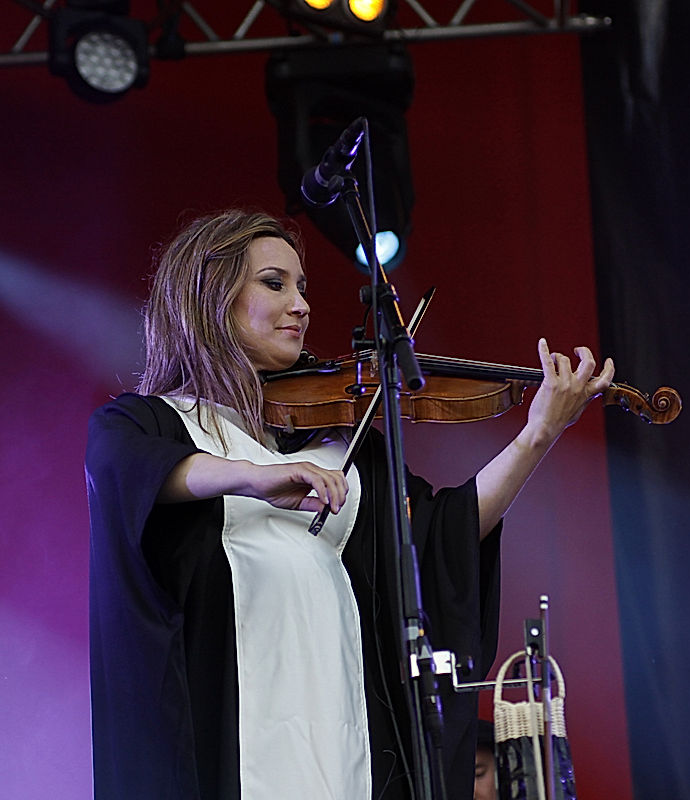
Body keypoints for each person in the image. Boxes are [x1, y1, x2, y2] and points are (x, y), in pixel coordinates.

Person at [85, 209, 614, 800]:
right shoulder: (149, 423)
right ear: (211, 297)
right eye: (274, 283)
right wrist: (256, 477)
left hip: (343, 723)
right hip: (229, 735)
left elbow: (446, 534)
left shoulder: (342, 441)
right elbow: (131, 470)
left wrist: (537, 435)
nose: (303, 305)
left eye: (303, 287)